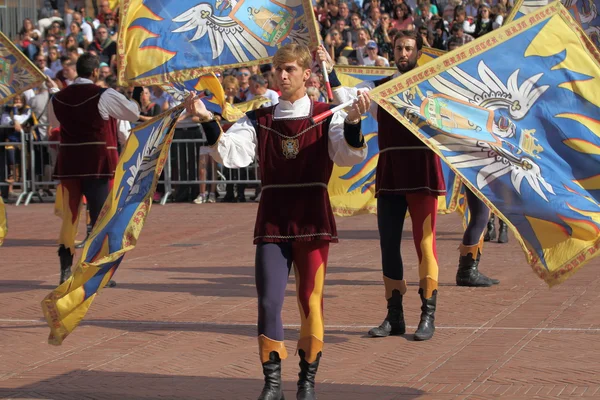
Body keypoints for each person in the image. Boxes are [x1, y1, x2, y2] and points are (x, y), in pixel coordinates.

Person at [185, 43, 370, 400]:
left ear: (306, 73)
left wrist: (352, 122)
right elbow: (230, 153)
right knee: (268, 301)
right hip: (272, 218)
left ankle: (306, 381)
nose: (282, 76)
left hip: (312, 217)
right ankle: (272, 384)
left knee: (309, 300)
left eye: (290, 70)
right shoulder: (258, 119)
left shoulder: (328, 114)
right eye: (277, 70)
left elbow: (347, 155)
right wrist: (208, 121)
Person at [321, 30, 445, 341]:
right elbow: (344, 97)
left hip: (422, 172)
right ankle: (395, 316)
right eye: (399, 48)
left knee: (424, 244)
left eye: (409, 48)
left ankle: (427, 315)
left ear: (417, 52)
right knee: (388, 245)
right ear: (393, 52)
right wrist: (328, 67)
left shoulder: (433, 87)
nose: (404, 53)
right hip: (391, 173)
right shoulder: (379, 88)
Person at [48, 54, 140, 285]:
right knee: (100, 218)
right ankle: (96, 273)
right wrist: (135, 94)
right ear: (96, 73)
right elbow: (133, 113)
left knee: (69, 218)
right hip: (96, 162)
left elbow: (54, 122)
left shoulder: (57, 97)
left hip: (70, 163)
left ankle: (66, 270)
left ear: (77, 71)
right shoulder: (103, 94)